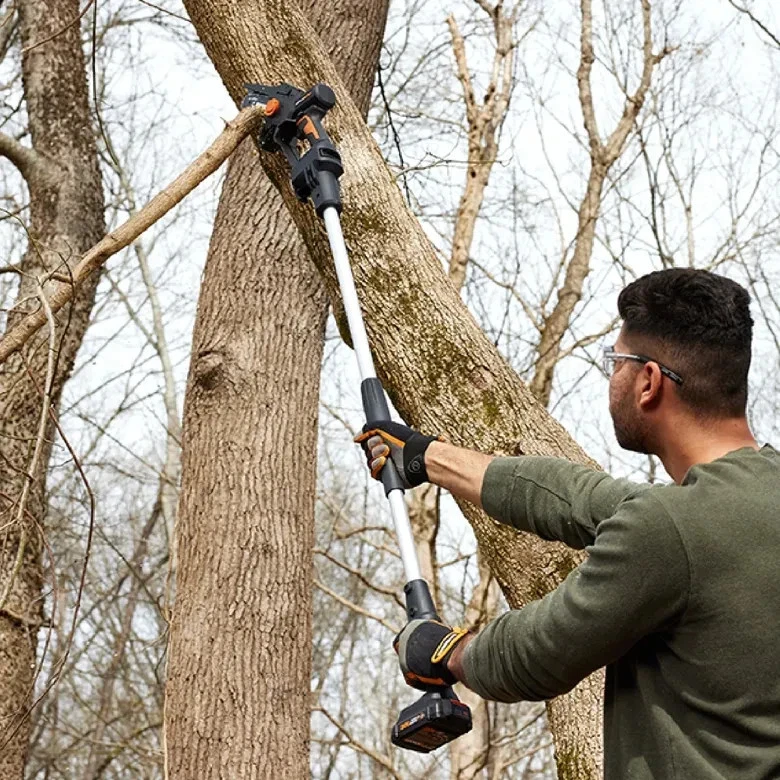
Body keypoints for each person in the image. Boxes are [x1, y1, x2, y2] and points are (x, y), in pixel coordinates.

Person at [356, 268, 780, 779]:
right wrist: (429, 458)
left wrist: (445, 653)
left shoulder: (671, 529)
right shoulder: (736, 503)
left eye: (615, 362)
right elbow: (582, 498)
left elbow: (537, 653)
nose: (612, 377)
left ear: (648, 382)